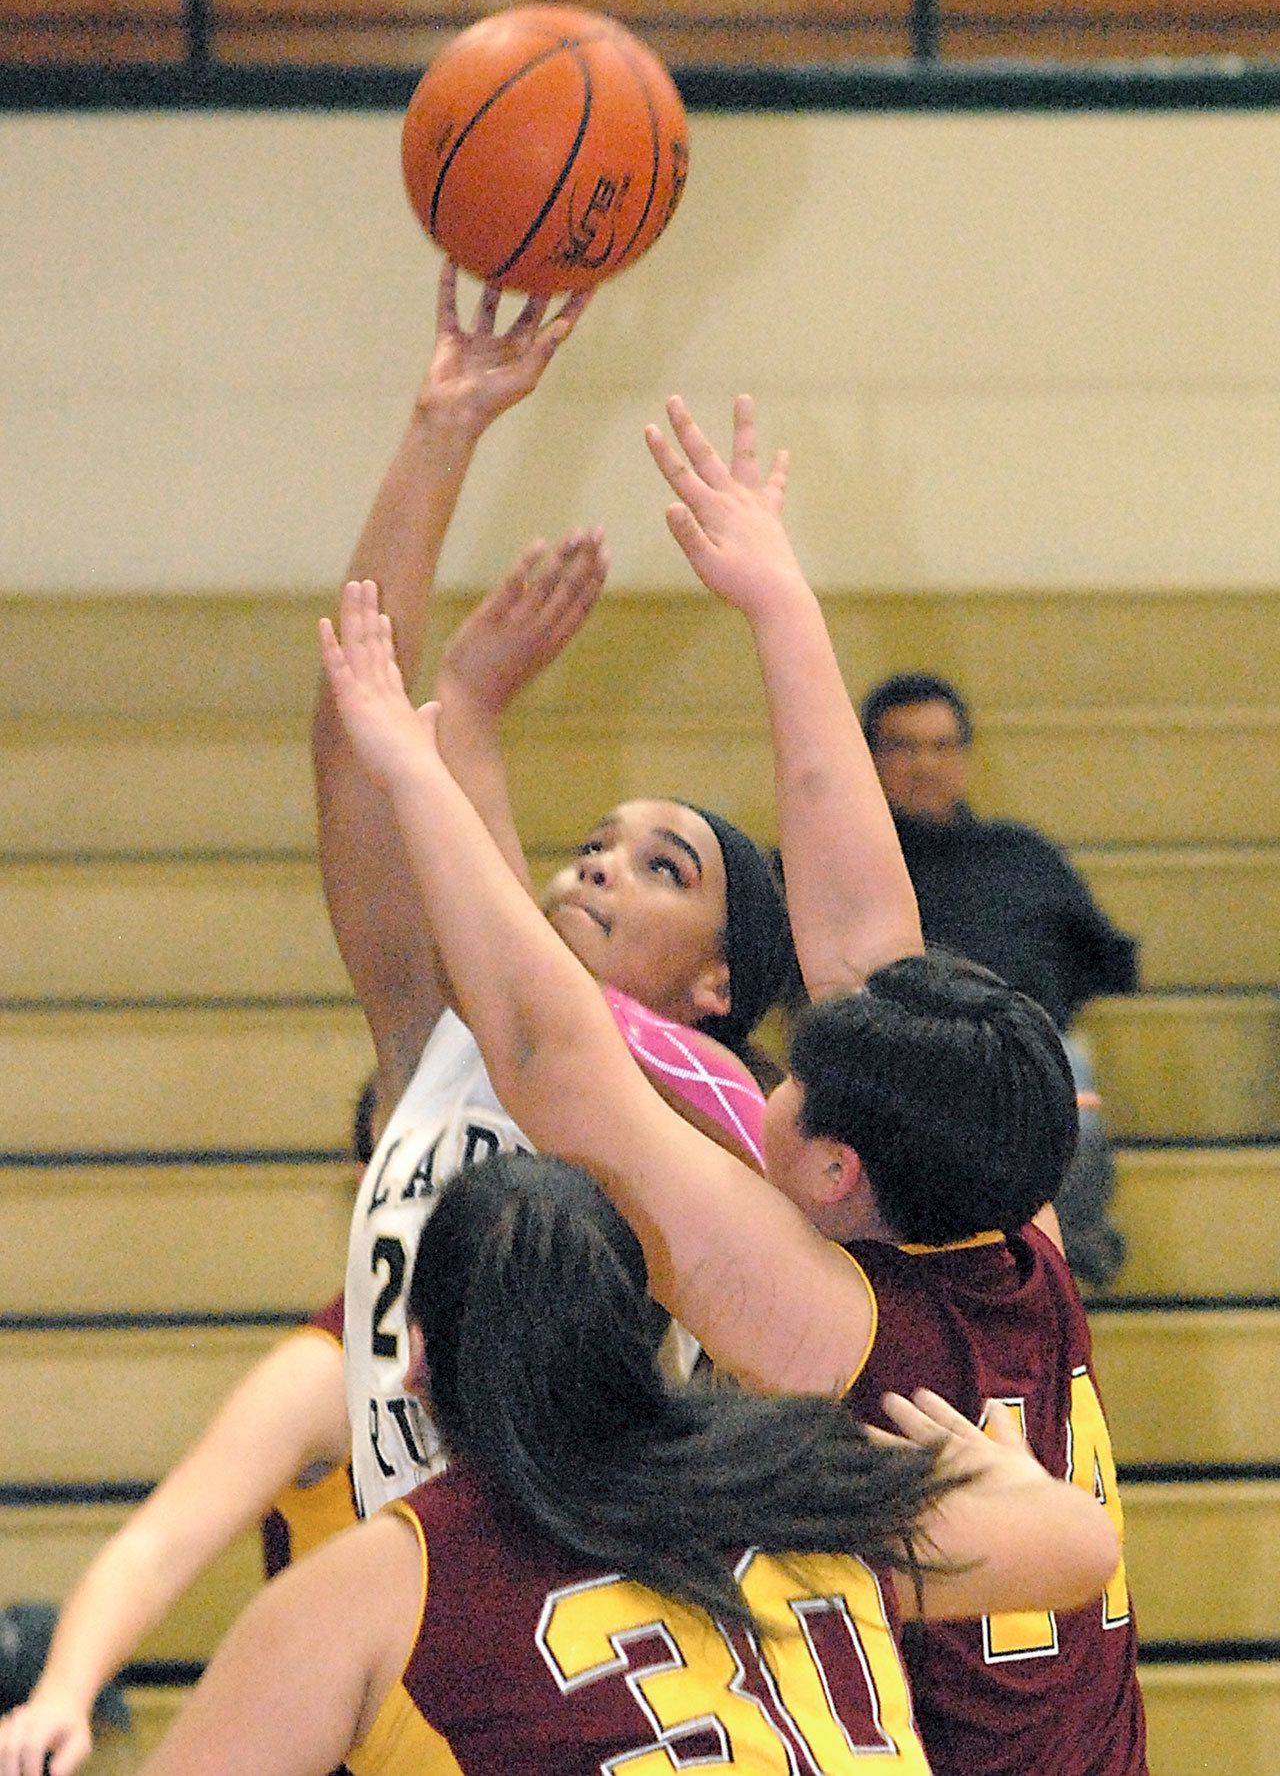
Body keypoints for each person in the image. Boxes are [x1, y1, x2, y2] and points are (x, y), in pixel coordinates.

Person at [318, 390, 1149, 1776]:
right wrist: (778, 603)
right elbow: (868, 942)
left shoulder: (837, 1319)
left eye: (799, 1081)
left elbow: (554, 1064)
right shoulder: (1024, 1239)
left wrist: (421, 764)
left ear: (831, 1173)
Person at [135, 1151, 1120, 1776]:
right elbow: (1078, 1547)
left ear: (419, 1352)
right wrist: (994, 1467)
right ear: (652, 1331)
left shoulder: (376, 1583)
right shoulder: (800, 1473)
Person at [313, 265, 793, 1518]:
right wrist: (443, 429)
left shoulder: (698, 1133)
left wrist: (464, 731)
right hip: (416, 1612)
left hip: (586, 1624)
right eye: (597, 840)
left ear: (718, 980)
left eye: (660, 866)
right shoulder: (444, 1042)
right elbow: (351, 737)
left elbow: (550, 1035)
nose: (599, 862)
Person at [0, 1073, 377, 1776]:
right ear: (370, 1183)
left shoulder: (543, 1361)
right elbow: (153, 1547)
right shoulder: (325, 1376)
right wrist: (62, 1692)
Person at [859, 670, 1139, 1285]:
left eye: (942, 746)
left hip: (1021, 1053)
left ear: (965, 756)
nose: (925, 766)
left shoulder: (1022, 853)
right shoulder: (840, 858)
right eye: (903, 748)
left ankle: (1069, 1252)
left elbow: (1112, 962)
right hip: (898, 1056)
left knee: (1071, 1073)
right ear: (868, 758)